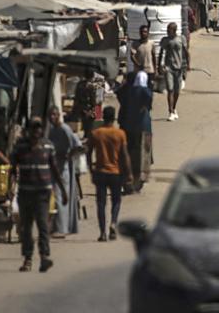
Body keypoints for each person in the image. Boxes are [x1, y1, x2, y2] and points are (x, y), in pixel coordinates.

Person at [10, 117, 66, 273]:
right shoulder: (20, 147)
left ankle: (44, 257)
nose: (36, 131)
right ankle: (27, 259)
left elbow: (54, 169)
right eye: (33, 128)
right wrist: (10, 187)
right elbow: (13, 169)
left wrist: (63, 191)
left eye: (39, 128)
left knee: (42, 225)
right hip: (25, 192)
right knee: (26, 227)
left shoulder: (48, 146)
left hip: (43, 193)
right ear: (28, 130)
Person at [86, 106, 130, 242]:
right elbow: (125, 155)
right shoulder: (120, 134)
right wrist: (128, 173)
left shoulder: (96, 133)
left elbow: (88, 153)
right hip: (115, 172)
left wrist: (91, 169)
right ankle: (113, 223)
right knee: (116, 200)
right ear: (114, 117)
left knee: (101, 203)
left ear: (104, 117)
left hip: (100, 172)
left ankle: (102, 233)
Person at [46, 106, 82, 236]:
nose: (52, 118)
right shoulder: (52, 130)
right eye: (50, 115)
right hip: (54, 166)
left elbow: (78, 146)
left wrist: (68, 155)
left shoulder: (64, 129)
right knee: (55, 196)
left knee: (61, 195)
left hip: (63, 168)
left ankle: (61, 228)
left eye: (54, 115)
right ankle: (57, 226)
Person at [116, 71, 153, 193]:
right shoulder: (143, 91)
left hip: (127, 128)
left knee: (127, 155)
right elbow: (149, 98)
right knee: (143, 155)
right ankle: (139, 181)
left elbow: (119, 93)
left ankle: (127, 182)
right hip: (143, 128)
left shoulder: (126, 92)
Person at [157, 22, 189, 122]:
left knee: (177, 91)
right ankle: (170, 111)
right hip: (168, 68)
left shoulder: (181, 39)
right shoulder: (165, 40)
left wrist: (187, 65)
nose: (167, 32)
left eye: (169, 30)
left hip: (179, 68)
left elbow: (186, 52)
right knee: (170, 89)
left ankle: (174, 108)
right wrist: (159, 66)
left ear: (174, 30)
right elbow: (161, 53)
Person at [71, 70, 104, 137]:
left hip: (84, 110)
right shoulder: (98, 84)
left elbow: (77, 98)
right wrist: (98, 115)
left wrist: (76, 111)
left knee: (87, 128)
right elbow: (99, 100)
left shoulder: (80, 84)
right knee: (92, 129)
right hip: (90, 110)